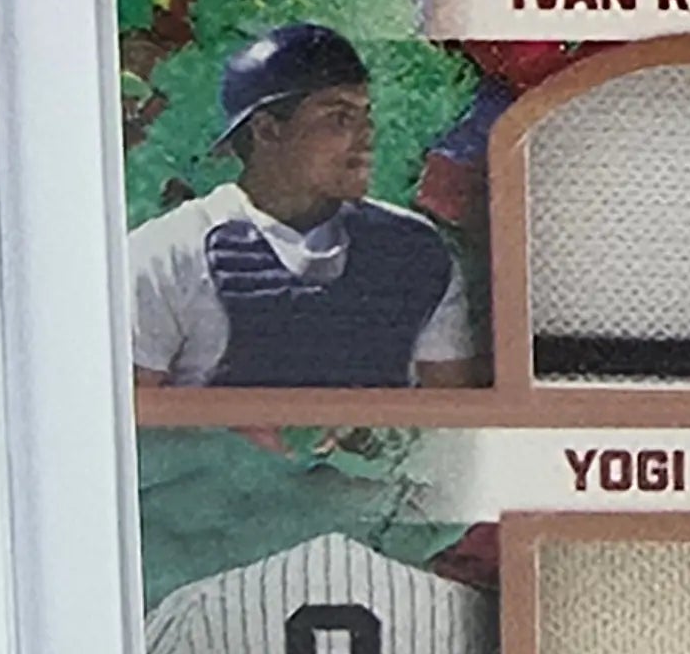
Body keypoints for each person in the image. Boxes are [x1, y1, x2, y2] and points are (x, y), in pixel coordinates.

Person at [129, 23, 477, 390]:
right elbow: (130, 416)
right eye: (340, 118)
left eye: (366, 116)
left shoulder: (416, 252)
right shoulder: (165, 254)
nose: (366, 137)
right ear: (267, 129)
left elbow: (452, 411)